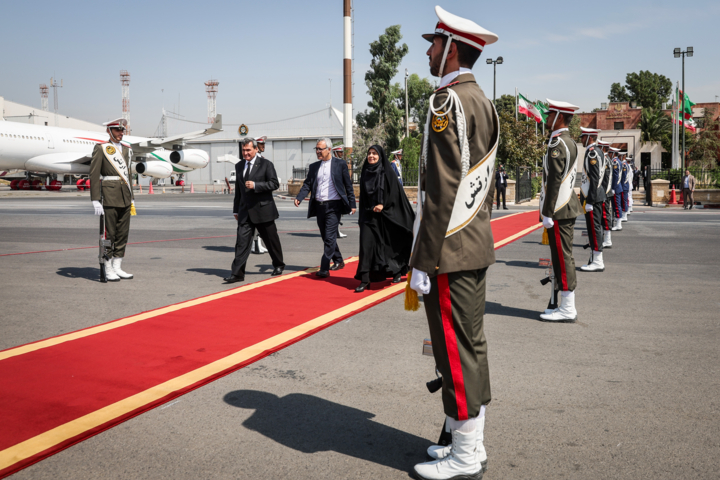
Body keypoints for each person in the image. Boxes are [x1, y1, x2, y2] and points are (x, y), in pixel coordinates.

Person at [410, 7, 499, 479]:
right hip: (472, 243)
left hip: (450, 249)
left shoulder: (447, 103)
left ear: (452, 49)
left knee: (457, 351)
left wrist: (424, 259)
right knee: (468, 346)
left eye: (434, 43)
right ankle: (470, 444)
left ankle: (466, 457)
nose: (427, 50)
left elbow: (443, 190)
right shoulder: (481, 100)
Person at [538, 99, 583, 322]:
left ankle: (567, 308)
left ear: (560, 118)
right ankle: (564, 305)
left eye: (550, 115)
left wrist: (547, 212)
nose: (547, 118)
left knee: (563, 259)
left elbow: (554, 181)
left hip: (559, 209)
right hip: (564, 207)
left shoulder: (558, 145)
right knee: (561, 257)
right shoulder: (569, 142)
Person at [224, 137, 285, 284]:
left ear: (256, 149)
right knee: (241, 242)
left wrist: (257, 185)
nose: (245, 153)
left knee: (271, 241)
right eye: (243, 150)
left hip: (263, 210)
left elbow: (274, 183)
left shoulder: (266, 164)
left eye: (248, 150)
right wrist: (235, 210)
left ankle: (278, 264)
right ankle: (237, 273)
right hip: (245, 212)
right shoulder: (239, 166)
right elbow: (238, 191)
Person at [354, 145, 414, 292]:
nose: (371, 156)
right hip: (369, 217)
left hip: (387, 217)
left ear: (380, 156)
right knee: (366, 247)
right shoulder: (366, 172)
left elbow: (395, 193)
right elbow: (363, 197)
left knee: (390, 246)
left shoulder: (387, 172)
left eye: (374, 153)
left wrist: (383, 204)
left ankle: (398, 270)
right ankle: (365, 279)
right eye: (369, 153)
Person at [294, 138, 356, 277]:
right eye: (316, 149)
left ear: (329, 149)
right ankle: (339, 260)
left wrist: (352, 203)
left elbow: (348, 185)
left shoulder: (340, 164)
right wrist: (299, 197)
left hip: (334, 206)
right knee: (326, 236)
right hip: (320, 206)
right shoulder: (314, 166)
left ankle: (324, 267)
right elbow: (307, 184)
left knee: (329, 237)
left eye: (320, 149)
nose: (317, 152)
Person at [90, 118, 135, 282]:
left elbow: (129, 175)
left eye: (122, 130)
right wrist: (95, 199)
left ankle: (118, 266)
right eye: (117, 130)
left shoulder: (127, 150)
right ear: (109, 131)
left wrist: (132, 198)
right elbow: (94, 174)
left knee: (123, 233)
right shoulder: (101, 148)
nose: (120, 133)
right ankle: (108, 267)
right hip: (109, 196)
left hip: (125, 196)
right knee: (109, 234)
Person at [578, 128, 606, 272]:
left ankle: (598, 261)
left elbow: (595, 178)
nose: (581, 139)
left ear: (589, 137)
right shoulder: (597, 151)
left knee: (594, 229)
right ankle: (594, 258)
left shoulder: (592, 153)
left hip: (593, 198)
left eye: (582, 137)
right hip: (595, 196)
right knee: (593, 228)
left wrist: (590, 200)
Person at [251, 136, 270, 255]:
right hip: (254, 196)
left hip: (261, 195)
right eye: (261, 145)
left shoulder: (261, 159)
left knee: (261, 223)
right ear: (256, 146)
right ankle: (254, 244)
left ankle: (258, 244)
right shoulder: (254, 159)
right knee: (256, 223)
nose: (263, 147)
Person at [597, 140, 614, 248]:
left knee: (605, 215)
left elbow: (606, 179)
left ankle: (608, 239)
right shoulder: (606, 159)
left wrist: (604, 193)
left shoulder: (605, 160)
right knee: (603, 216)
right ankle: (604, 238)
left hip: (604, 193)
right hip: (605, 192)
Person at [610, 148, 623, 231]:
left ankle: (619, 224)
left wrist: (613, 187)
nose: (609, 154)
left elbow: (615, 176)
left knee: (617, 205)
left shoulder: (615, 162)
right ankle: (618, 222)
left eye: (610, 153)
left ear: (613, 153)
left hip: (616, 187)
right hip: (617, 187)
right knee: (616, 205)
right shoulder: (618, 161)